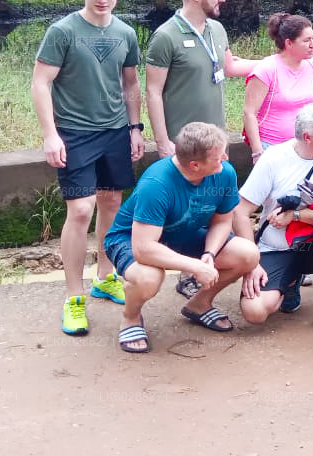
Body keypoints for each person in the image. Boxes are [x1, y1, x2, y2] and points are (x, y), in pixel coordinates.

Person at [30, 0, 143, 336]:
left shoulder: (126, 33)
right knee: (81, 209)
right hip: (75, 133)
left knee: (112, 202)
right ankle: (73, 298)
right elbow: (41, 83)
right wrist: (51, 134)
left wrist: (134, 128)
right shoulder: (62, 31)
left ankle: (105, 276)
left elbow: (130, 85)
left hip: (114, 132)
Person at [102, 123, 261, 353]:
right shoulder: (156, 184)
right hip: (130, 239)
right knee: (148, 278)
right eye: (219, 157)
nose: (226, 158)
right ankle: (131, 317)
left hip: (183, 232)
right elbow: (143, 249)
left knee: (248, 255)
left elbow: (222, 221)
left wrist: (209, 254)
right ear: (195, 165)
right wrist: (195, 266)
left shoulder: (224, 173)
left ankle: (199, 305)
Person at [234, 103, 313, 336]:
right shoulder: (273, 158)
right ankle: (290, 282)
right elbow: (240, 211)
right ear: (307, 137)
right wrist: (251, 262)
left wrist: (297, 216)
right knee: (255, 312)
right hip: (275, 246)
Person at [145, 0, 257, 159]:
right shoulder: (165, 36)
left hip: (217, 140)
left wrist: (278, 63)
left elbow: (229, 67)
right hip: (183, 144)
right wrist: (163, 142)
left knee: (218, 188)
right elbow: (152, 92)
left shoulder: (217, 29)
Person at [244, 12, 313, 157]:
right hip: (272, 146)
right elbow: (249, 113)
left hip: (306, 146)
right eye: (306, 40)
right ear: (289, 43)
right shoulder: (267, 69)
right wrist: (258, 152)